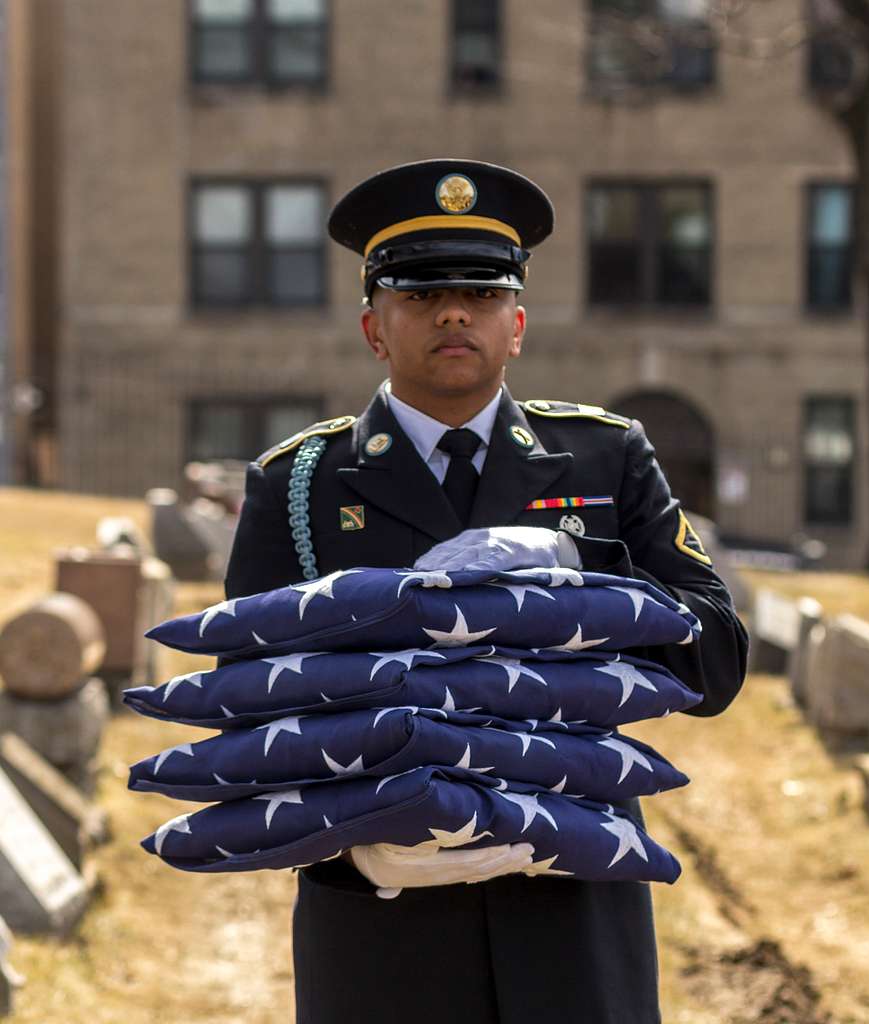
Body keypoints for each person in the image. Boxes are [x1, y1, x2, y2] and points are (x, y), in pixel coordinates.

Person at [223, 159, 748, 1024]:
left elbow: (717, 663)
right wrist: (347, 854)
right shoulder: (300, 483)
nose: (455, 312)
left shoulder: (604, 459)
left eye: (481, 292)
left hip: (570, 903)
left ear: (518, 325)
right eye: (421, 296)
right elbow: (253, 711)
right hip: (385, 922)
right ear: (373, 328)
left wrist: (586, 573)